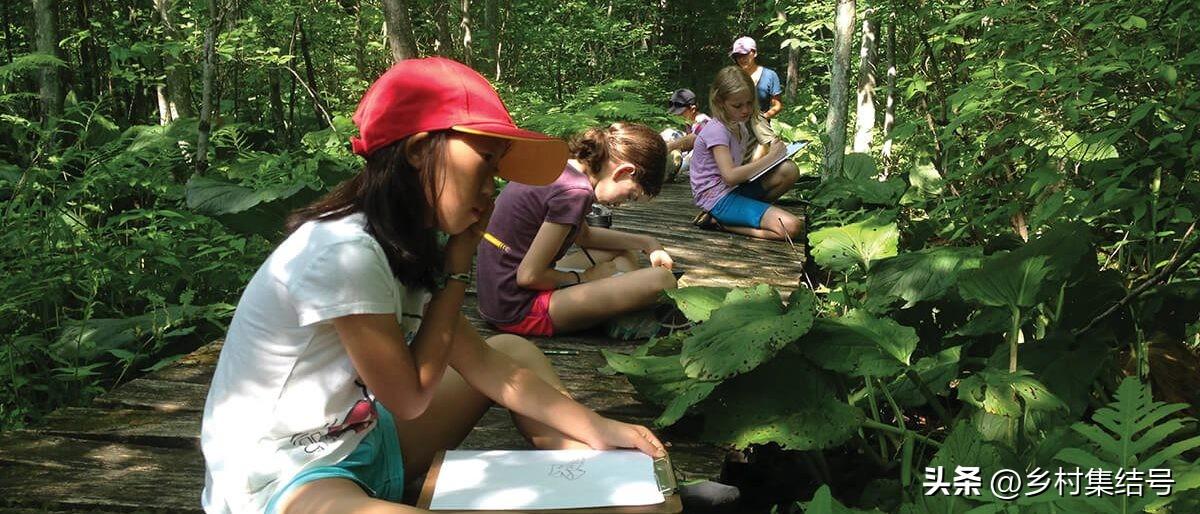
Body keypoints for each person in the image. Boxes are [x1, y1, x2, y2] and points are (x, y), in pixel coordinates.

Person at [199, 57, 666, 514]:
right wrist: (457, 268)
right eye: (485, 163)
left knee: (512, 351)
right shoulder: (343, 251)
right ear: (420, 149)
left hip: (362, 439)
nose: (492, 188)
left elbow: (482, 363)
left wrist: (597, 425)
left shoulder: (400, 240)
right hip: (284, 476)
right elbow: (409, 396)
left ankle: (603, 480)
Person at [476, 122, 677, 338]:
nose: (623, 203)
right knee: (662, 281)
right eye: (631, 195)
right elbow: (528, 276)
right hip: (519, 309)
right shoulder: (574, 192)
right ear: (624, 171)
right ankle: (614, 314)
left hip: (496, 295)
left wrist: (648, 243)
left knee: (622, 253)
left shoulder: (560, 169)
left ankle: (611, 306)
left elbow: (584, 237)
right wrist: (586, 278)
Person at [688, 66, 802, 241]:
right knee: (791, 227)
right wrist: (772, 156)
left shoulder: (739, 125)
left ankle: (752, 212)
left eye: (749, 103)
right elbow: (730, 176)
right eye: (737, 105)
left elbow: (741, 171)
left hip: (733, 190)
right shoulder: (717, 130)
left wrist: (775, 158)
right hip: (718, 200)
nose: (745, 110)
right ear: (720, 102)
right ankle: (722, 223)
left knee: (789, 170)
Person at [730, 36, 784, 164]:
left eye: (744, 54)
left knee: (755, 117)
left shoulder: (770, 75)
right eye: (737, 56)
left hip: (760, 124)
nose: (741, 59)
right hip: (738, 123)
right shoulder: (734, 77)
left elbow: (777, 105)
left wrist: (765, 116)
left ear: (754, 53)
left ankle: (771, 148)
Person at [663, 88, 713, 178]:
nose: (677, 115)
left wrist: (669, 147)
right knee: (669, 133)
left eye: (681, 112)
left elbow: (695, 138)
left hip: (706, 164)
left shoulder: (703, 121)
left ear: (692, 109)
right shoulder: (690, 122)